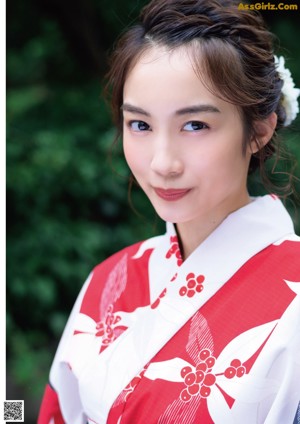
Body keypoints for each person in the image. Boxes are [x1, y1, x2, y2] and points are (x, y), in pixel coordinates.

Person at [38, 0, 300, 423]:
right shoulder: (109, 281)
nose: (162, 162)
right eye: (140, 125)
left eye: (195, 125)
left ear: (259, 130)